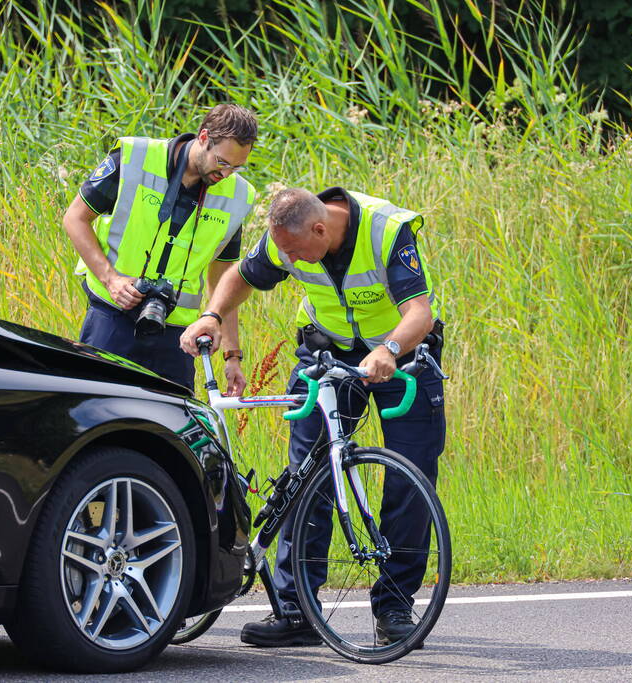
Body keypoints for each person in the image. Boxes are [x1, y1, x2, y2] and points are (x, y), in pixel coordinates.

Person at [180, 187, 446, 648]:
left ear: (320, 229)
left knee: (410, 479)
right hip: (326, 352)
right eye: (285, 254)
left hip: (401, 355)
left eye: (298, 253)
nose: (292, 263)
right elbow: (240, 276)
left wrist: (389, 349)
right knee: (307, 477)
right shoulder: (287, 236)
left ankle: (395, 609)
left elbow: (418, 312)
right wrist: (212, 315)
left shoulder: (388, 232)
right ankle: (297, 610)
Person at [63, 104, 258, 394]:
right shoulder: (134, 158)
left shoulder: (238, 196)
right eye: (222, 162)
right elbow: (75, 218)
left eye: (237, 166)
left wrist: (232, 356)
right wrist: (111, 279)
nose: (227, 173)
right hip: (113, 312)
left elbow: (224, 280)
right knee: (96, 409)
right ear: (204, 137)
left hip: (178, 333)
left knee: (173, 428)